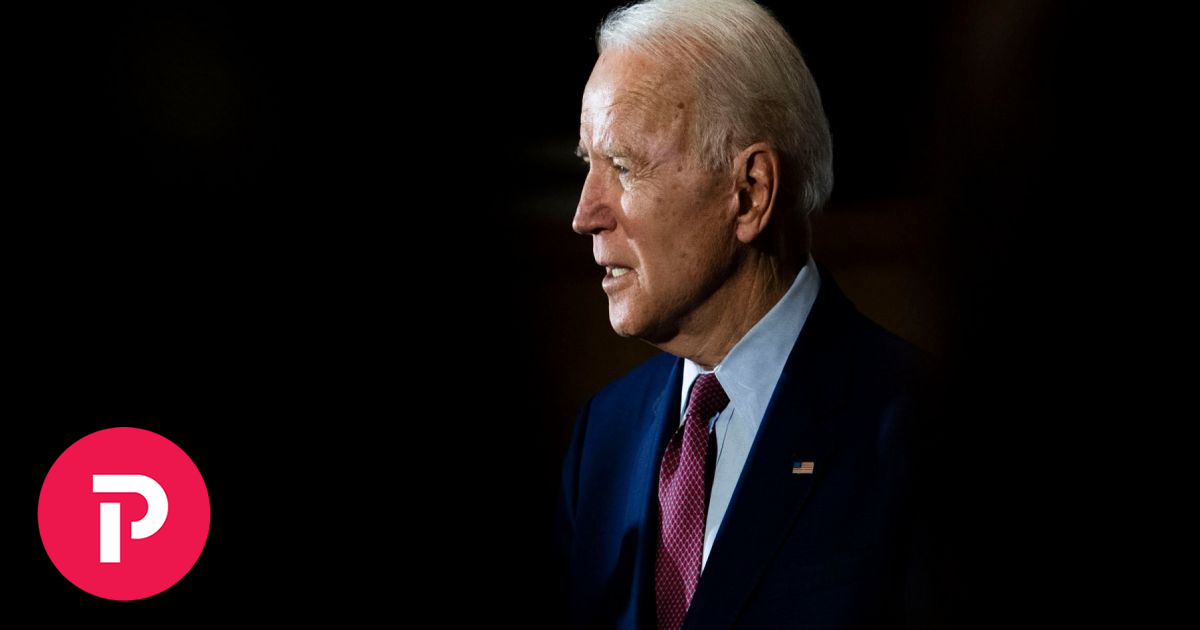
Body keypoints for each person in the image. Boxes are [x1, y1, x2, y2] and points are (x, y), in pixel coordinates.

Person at [554, 1, 931, 628]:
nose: (584, 214)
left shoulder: (917, 432)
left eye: (621, 166)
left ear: (750, 192)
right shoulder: (605, 435)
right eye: (586, 165)